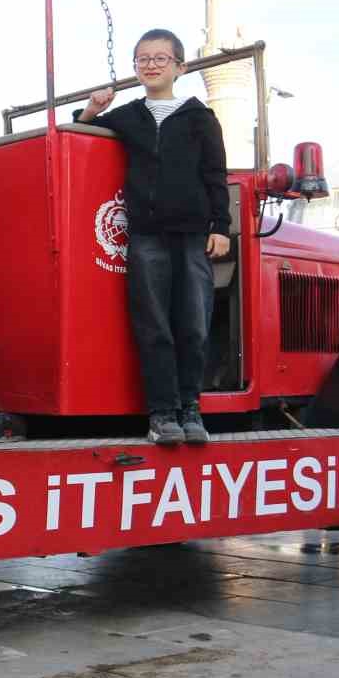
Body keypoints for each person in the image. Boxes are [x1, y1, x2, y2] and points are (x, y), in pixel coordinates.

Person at [79, 28, 230, 445]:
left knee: (194, 324)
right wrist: (93, 107)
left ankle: (190, 408)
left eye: (161, 58)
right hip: (146, 235)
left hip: (193, 234)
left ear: (180, 67)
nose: (151, 64)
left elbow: (215, 175)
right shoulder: (128, 116)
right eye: (143, 58)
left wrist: (221, 227)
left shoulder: (201, 117)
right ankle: (162, 414)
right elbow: (81, 128)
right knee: (154, 325)